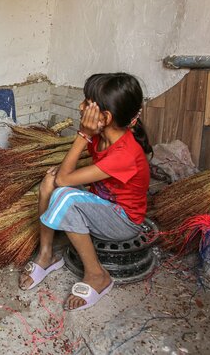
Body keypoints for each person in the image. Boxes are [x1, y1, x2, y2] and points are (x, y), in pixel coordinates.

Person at [18, 73, 152, 311]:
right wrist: (63, 173)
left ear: (106, 117)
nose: (81, 107)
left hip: (123, 222)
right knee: (50, 182)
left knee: (65, 195)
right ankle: (46, 254)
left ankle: (97, 275)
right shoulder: (102, 138)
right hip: (102, 206)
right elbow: (64, 176)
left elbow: (65, 179)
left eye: (87, 102)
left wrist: (82, 134)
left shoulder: (125, 153)